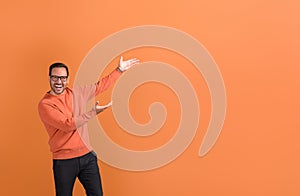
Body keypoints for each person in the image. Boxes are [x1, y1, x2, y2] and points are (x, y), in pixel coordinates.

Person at [38, 56, 139, 196]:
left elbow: (99, 86)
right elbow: (67, 125)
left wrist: (119, 70)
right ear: (49, 78)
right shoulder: (45, 104)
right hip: (64, 161)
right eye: (55, 78)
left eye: (62, 78)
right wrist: (93, 113)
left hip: (87, 157)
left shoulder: (76, 93)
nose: (59, 82)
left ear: (67, 79)